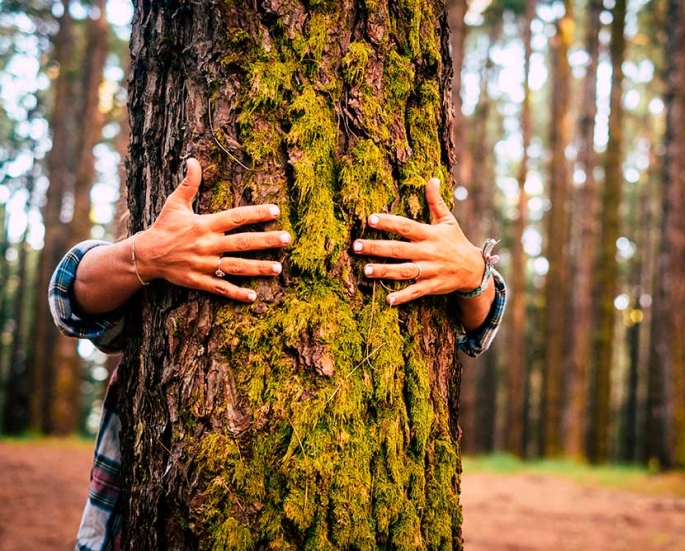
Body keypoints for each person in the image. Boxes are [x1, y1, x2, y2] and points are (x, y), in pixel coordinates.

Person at [51, 158, 506, 551]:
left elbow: (476, 328)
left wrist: (475, 272)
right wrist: (146, 255)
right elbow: (69, 296)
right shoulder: (158, 273)